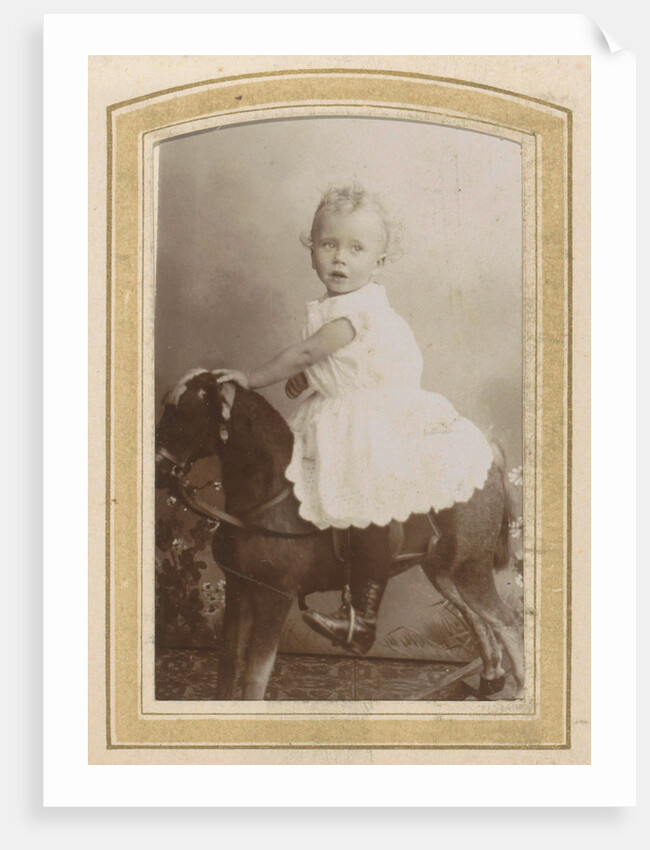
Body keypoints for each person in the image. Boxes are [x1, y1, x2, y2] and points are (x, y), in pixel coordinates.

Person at [216, 185, 493, 655]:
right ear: (312, 250)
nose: (340, 259)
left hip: (370, 420)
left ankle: (361, 618)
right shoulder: (335, 308)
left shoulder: (355, 309)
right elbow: (337, 361)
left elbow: (308, 351)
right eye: (329, 245)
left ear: (379, 263)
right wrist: (315, 379)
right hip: (342, 414)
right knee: (317, 498)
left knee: (364, 503)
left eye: (356, 249)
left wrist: (252, 377)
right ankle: (314, 578)